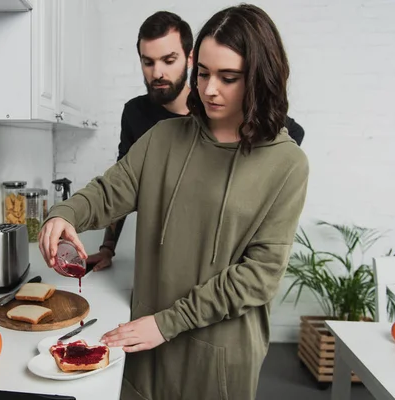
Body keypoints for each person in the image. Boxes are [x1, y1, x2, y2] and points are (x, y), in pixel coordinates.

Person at [39, 4, 309, 399]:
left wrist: (167, 323)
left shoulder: (287, 163)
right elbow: (110, 190)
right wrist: (66, 213)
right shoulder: (163, 138)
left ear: (260, 77)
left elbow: (260, 274)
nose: (209, 89)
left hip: (219, 353)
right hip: (145, 342)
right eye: (203, 74)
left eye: (228, 77)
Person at [87, 10, 306, 272]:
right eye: (148, 62)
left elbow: (285, 139)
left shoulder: (241, 120)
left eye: (168, 60)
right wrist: (107, 247)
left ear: (190, 57)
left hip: (217, 274)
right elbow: (121, 185)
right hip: (157, 268)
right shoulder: (140, 117)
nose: (157, 72)